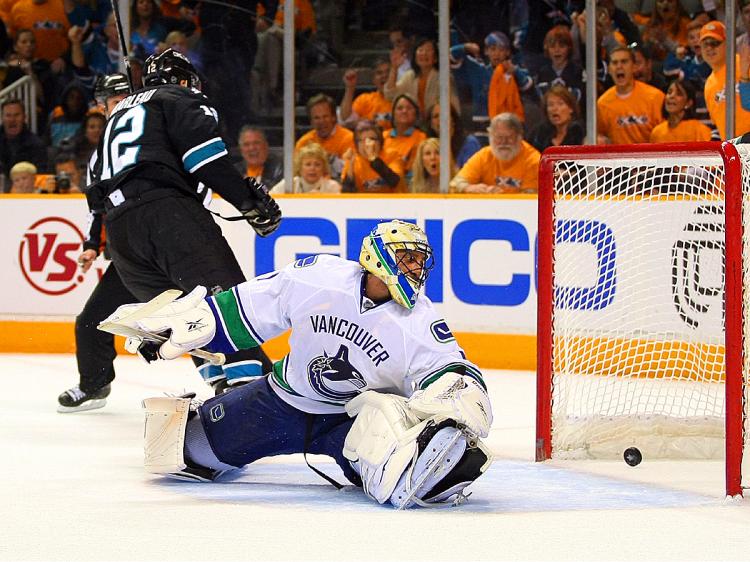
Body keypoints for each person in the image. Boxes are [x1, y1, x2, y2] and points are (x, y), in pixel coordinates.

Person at [104, 219, 493, 509]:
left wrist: (455, 398)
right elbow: (246, 311)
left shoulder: (420, 323)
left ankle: (425, 469)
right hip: (277, 403)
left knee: (401, 477)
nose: (416, 270)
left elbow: (451, 371)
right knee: (184, 452)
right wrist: (190, 327)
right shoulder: (320, 278)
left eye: (419, 261)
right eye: (407, 259)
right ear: (377, 257)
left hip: (352, 422)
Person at [85, 49, 280, 394]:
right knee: (225, 305)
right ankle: (257, 398)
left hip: (122, 237)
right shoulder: (179, 97)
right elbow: (207, 160)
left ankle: (222, 391)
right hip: (164, 216)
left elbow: (95, 192)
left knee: (190, 319)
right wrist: (249, 203)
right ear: (184, 80)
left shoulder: (116, 116)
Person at [58, 72, 136, 412]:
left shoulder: (158, 139)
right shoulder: (100, 155)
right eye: (114, 101)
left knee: (197, 320)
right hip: (132, 258)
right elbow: (98, 206)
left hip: (173, 252)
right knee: (91, 321)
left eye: (124, 100)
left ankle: (228, 380)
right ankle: (95, 383)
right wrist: (93, 242)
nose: (120, 107)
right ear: (101, 106)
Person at [450, 31, 533, 135]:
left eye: (501, 49)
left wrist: (515, 72)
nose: (496, 53)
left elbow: (528, 86)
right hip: (482, 130)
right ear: (486, 51)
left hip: (509, 130)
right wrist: (465, 47)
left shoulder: (514, 71)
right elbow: (450, 57)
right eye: (492, 49)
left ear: (507, 52)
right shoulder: (478, 70)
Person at [450, 112, 541, 194]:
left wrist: (499, 198)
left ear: (519, 137)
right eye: (498, 137)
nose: (504, 142)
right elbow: (455, 184)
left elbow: (530, 197)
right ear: (490, 136)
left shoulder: (534, 161)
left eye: (509, 137)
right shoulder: (484, 155)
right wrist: (469, 188)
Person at [597, 45, 665, 144]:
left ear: (633, 67)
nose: (619, 66)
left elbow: (666, 133)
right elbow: (600, 136)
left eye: (624, 61)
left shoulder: (655, 97)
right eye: (615, 63)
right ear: (609, 69)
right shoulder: (602, 104)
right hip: (619, 158)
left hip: (652, 157)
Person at [384, 37, 460, 119]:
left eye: (428, 50)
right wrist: (394, 68)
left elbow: (453, 107)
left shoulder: (443, 78)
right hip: (414, 124)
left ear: (435, 58)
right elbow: (390, 95)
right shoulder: (410, 76)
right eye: (420, 50)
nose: (424, 53)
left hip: (437, 124)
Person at [702, 21, 750, 139]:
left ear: (728, 44)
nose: (709, 48)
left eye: (714, 43)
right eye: (704, 44)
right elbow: (717, 123)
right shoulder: (708, 84)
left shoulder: (745, 63)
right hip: (732, 150)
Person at [295, 93, 355, 181]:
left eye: (325, 116)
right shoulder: (304, 142)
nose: (321, 122)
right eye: (316, 118)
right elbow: (296, 172)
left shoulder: (349, 138)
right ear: (311, 121)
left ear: (334, 117)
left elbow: (349, 175)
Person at [341, 120, 405, 193]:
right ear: (356, 145)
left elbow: (394, 181)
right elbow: (346, 194)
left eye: (372, 139)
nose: (367, 144)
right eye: (362, 140)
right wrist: (350, 167)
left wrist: (373, 158)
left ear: (380, 142)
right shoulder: (353, 161)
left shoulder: (392, 155)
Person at [0, 99, 47, 182]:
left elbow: (40, 176)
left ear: (24, 117)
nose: (12, 120)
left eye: (16, 115)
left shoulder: (36, 145)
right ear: (2, 118)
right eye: (8, 115)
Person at [529, 85, 586, 152]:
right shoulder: (538, 134)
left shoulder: (582, 133)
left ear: (571, 108)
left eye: (560, 104)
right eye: (550, 105)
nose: (555, 108)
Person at [340, 58, 392, 130]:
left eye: (388, 72)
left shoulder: (402, 99)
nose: (384, 76)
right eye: (379, 73)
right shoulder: (365, 99)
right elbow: (346, 119)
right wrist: (350, 88)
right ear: (373, 80)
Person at [270, 142, 341, 194]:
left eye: (317, 164)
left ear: (323, 168)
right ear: (299, 167)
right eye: (308, 164)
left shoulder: (333, 187)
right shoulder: (289, 184)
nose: (312, 168)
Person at [425, 103, 481, 168]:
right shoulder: (427, 146)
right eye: (436, 116)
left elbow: (467, 176)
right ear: (431, 124)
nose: (441, 119)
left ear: (453, 120)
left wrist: (447, 142)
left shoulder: (470, 143)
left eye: (444, 114)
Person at [382, 94, 426, 172]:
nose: (404, 111)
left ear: (416, 113)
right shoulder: (383, 136)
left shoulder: (421, 138)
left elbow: (414, 170)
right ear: (393, 113)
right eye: (400, 108)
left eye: (409, 108)